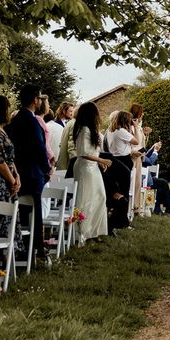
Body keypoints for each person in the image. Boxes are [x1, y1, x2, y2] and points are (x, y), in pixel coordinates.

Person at [5, 84, 50, 260]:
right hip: (32, 174)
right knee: (34, 213)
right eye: (39, 98)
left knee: (21, 213)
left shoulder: (15, 120)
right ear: (34, 100)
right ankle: (35, 249)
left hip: (18, 172)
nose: (40, 101)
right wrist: (46, 169)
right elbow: (40, 148)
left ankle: (23, 249)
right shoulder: (32, 121)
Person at [0, 95, 25, 260]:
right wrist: (11, 180)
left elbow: (9, 158)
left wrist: (17, 175)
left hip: (9, 179)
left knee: (11, 217)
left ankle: (11, 261)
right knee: (2, 220)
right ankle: (1, 261)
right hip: (1, 182)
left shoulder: (2, 129)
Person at [72, 102, 111, 241]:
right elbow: (82, 153)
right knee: (86, 199)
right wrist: (102, 161)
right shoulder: (84, 130)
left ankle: (95, 231)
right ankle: (82, 231)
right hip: (85, 168)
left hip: (92, 167)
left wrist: (98, 162)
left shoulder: (90, 129)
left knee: (100, 196)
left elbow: (92, 151)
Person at [143, 143, 170, 216]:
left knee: (162, 183)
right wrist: (155, 151)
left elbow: (146, 157)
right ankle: (162, 208)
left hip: (146, 178)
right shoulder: (137, 152)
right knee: (162, 183)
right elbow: (149, 162)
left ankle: (165, 208)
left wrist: (153, 148)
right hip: (144, 180)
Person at [130, 104, 150, 214]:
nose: (143, 115)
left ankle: (136, 206)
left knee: (138, 183)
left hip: (139, 157)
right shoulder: (133, 126)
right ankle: (134, 207)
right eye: (141, 112)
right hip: (133, 157)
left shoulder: (138, 126)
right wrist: (138, 128)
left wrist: (145, 134)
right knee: (134, 183)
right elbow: (136, 141)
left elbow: (142, 141)